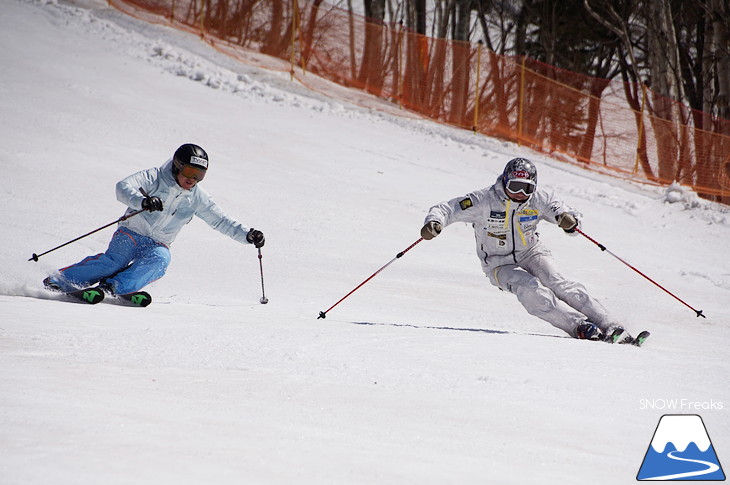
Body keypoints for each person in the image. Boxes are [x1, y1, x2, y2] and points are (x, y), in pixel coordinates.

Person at [420, 157, 631, 342]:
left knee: (558, 283)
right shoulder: (482, 200)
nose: (520, 193)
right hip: (498, 263)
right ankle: (577, 326)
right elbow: (445, 209)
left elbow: (569, 217)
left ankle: (609, 323)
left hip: (531, 252)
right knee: (530, 288)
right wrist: (434, 223)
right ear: (504, 181)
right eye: (515, 186)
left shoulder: (541, 199)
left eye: (526, 188)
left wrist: (570, 222)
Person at [44, 143, 265, 296]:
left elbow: (221, 220)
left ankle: (112, 288)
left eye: (199, 175)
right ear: (178, 166)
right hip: (131, 233)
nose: (192, 179)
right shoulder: (154, 177)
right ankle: (60, 280)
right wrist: (142, 202)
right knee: (114, 262)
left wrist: (247, 234)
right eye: (189, 171)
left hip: (158, 243)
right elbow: (122, 187)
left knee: (160, 261)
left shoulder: (197, 197)